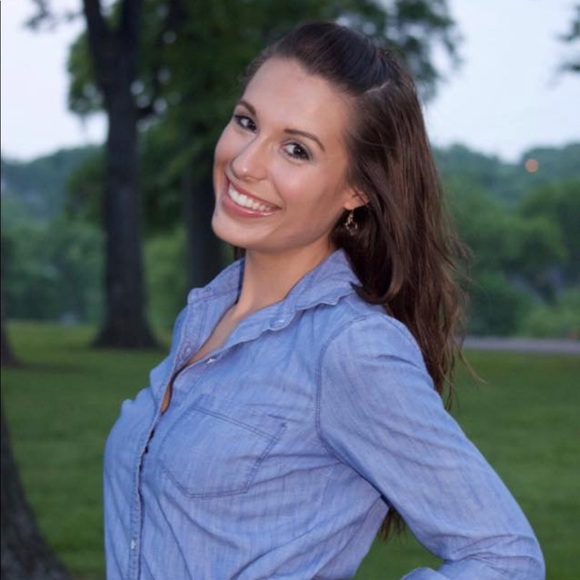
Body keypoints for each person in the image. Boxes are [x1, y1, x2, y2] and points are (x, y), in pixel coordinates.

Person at [104, 21, 545, 580]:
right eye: (247, 122)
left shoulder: (350, 347)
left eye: (296, 149)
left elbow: (505, 558)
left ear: (356, 189)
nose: (245, 163)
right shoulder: (207, 314)